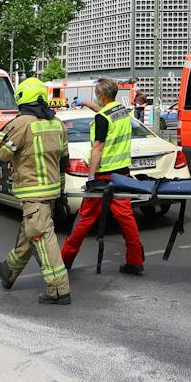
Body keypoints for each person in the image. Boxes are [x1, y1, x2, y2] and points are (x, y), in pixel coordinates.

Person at [0, 77, 72, 305]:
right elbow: (64, 162)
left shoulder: (20, 124)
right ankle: (8, 271)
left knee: (41, 238)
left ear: (21, 98)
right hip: (50, 193)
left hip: (33, 194)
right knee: (29, 235)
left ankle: (59, 291)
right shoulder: (57, 124)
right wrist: (59, 191)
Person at [60, 79, 146, 275]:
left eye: (96, 94)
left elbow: (98, 146)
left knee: (85, 218)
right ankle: (135, 260)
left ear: (101, 95)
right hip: (122, 173)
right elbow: (103, 111)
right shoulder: (121, 111)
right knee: (126, 218)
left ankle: (65, 259)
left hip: (103, 175)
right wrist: (85, 103)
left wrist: (91, 175)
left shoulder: (102, 118)